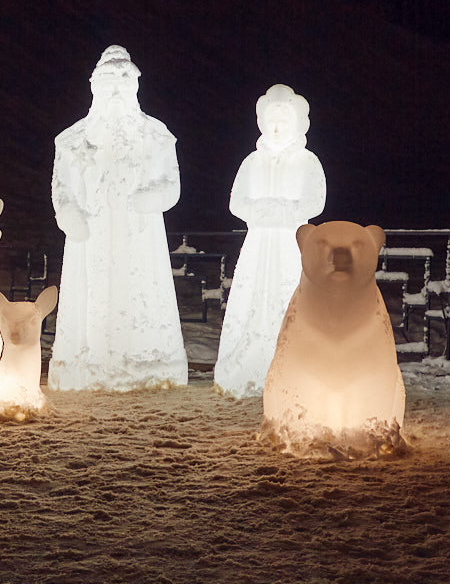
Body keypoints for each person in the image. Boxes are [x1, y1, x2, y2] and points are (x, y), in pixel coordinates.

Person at [49, 45, 187, 391]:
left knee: (139, 291)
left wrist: (150, 198)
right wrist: (68, 213)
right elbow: (62, 184)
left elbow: (171, 182)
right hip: (92, 232)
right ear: (94, 86)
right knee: (92, 293)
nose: (114, 90)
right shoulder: (73, 138)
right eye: (107, 81)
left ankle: (146, 366)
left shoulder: (155, 135)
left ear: (134, 87)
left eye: (122, 82)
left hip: (139, 233)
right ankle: (88, 364)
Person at [213, 84, 326, 398]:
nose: (277, 128)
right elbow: (237, 202)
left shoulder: (307, 161)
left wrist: (281, 212)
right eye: (272, 121)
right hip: (259, 247)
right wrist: (262, 213)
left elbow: (314, 202)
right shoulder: (252, 162)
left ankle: (296, 367)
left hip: (292, 247)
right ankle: (249, 366)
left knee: (291, 297)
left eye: (284, 122)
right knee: (255, 299)